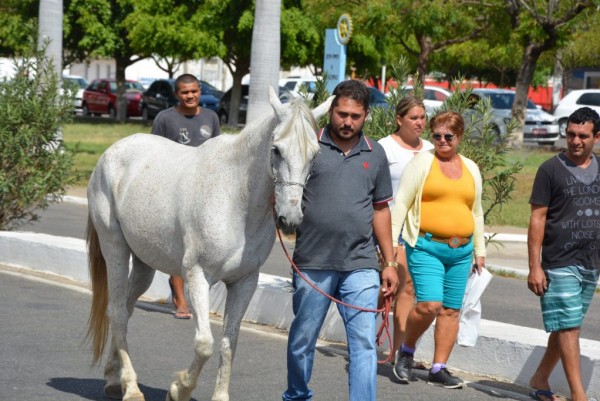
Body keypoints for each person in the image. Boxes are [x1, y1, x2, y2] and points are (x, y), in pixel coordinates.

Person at [282, 80, 399, 401]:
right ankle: (296, 395)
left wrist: (389, 263)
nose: (347, 122)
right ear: (330, 110)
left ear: (366, 117)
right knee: (303, 340)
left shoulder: (376, 154)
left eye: (355, 116)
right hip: (312, 262)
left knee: (362, 343)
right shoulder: (308, 146)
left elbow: (380, 211)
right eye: (342, 114)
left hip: (361, 264)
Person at [390, 111, 485, 388]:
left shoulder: (470, 168)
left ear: (460, 137)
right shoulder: (422, 162)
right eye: (437, 136)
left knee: (451, 311)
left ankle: (438, 367)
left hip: (461, 251)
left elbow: (475, 212)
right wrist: (394, 246)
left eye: (449, 136)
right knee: (429, 304)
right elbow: (402, 204)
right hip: (426, 246)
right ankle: (406, 352)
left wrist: (480, 250)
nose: (442, 141)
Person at [527, 107, 600, 401]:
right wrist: (535, 266)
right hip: (559, 261)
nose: (575, 141)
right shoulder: (549, 169)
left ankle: (539, 378)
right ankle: (578, 394)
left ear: (597, 137)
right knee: (569, 327)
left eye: (583, 136)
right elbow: (537, 219)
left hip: (591, 261)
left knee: (565, 325)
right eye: (570, 134)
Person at [151, 73, 220, 319]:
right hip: (175, 191)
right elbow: (154, 154)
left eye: (194, 91)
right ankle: (179, 297)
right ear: (176, 94)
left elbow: (217, 153)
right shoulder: (165, 118)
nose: (190, 96)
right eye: (184, 92)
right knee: (180, 245)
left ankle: (196, 292)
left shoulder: (211, 117)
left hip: (204, 193)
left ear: (199, 91)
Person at [378, 95, 434, 364]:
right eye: (413, 118)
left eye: (423, 117)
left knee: (408, 289)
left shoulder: (432, 150)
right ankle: (364, 326)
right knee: (395, 285)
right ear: (399, 119)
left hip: (421, 229)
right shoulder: (384, 148)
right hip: (391, 226)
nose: (420, 123)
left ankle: (398, 352)